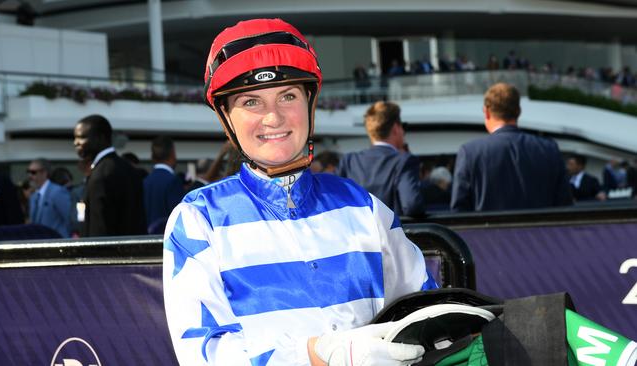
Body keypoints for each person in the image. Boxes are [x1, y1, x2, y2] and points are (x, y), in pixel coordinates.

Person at [163, 18, 437, 366]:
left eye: (287, 96)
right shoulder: (198, 220)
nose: (273, 117)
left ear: (310, 103)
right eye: (251, 102)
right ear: (226, 117)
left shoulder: (364, 207)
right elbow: (203, 353)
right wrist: (314, 355)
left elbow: (424, 312)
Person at [451, 83, 572, 211]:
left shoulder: (470, 152)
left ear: (486, 112)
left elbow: (459, 211)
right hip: (542, 231)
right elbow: (565, 205)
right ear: (518, 111)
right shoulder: (549, 149)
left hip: (489, 231)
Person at [336, 101, 425, 218]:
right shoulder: (404, 161)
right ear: (396, 128)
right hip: (390, 235)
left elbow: (335, 204)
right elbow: (412, 205)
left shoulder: (348, 161)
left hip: (356, 234)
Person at [73, 114, 146, 236]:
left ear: (101, 138)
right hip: (134, 251)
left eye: (82, 137)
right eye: (75, 138)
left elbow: (99, 231)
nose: (76, 143)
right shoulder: (128, 168)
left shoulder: (100, 176)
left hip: (108, 253)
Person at [143, 136, 185, 233]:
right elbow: (178, 217)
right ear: (173, 154)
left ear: (152, 157)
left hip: (146, 240)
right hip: (166, 240)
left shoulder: (145, 181)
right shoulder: (173, 181)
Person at [27, 158, 71, 237]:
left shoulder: (57, 192)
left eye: (33, 172)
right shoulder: (33, 197)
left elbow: (69, 218)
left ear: (44, 173)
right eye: (28, 172)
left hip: (57, 241)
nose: (30, 176)